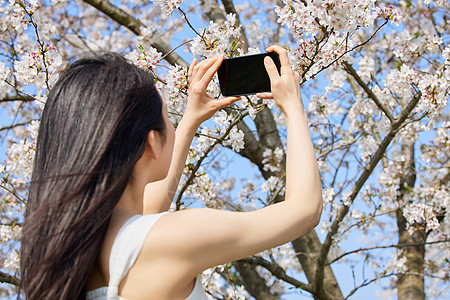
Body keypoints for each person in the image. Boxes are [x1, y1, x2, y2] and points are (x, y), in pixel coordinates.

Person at [20, 45, 322, 299]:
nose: (174, 128)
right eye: (169, 118)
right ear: (151, 142)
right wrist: (293, 105)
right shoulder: (175, 236)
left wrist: (189, 120)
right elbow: (304, 210)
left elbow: (148, 209)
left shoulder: (74, 254)